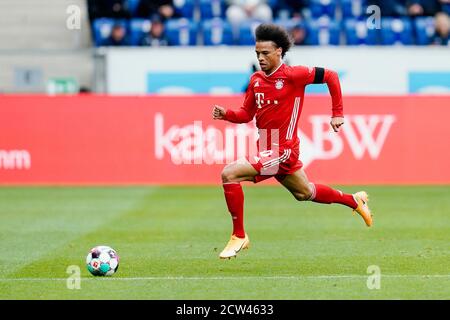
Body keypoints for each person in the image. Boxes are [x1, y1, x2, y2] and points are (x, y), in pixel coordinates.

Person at [212, 23, 373, 260]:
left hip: (283, 148)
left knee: (229, 174)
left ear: (279, 51)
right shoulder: (255, 80)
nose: (260, 58)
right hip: (266, 145)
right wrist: (226, 114)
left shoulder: (293, 75)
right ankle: (353, 200)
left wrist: (337, 112)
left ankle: (239, 235)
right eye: (257, 53)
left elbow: (331, 75)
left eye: (265, 53)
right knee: (304, 193)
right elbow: (246, 115)